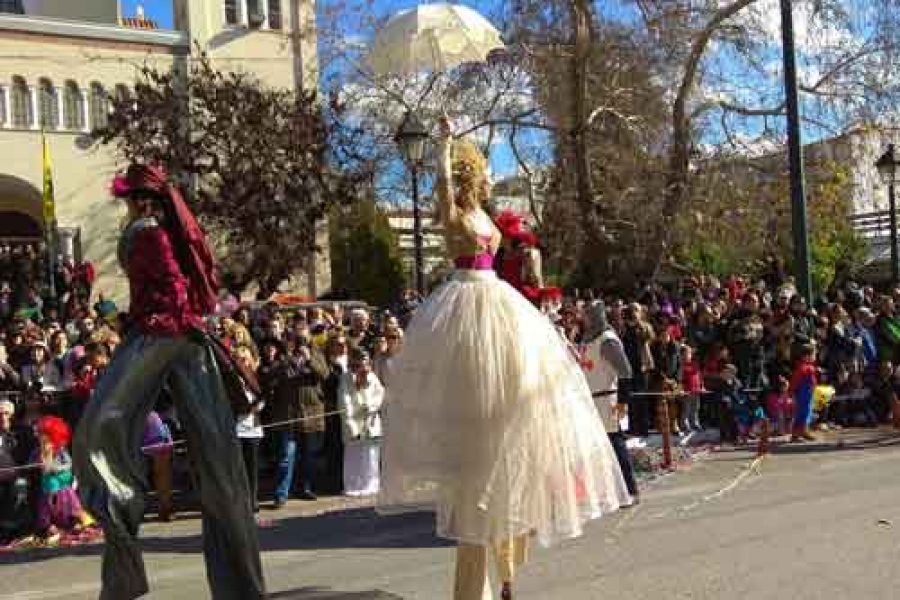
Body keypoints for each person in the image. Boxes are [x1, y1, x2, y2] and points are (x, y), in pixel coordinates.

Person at [377, 115, 629, 600]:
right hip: (468, 310)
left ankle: (507, 570)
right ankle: (479, 585)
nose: (491, 175)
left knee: (517, 434)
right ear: (472, 175)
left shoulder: (489, 217)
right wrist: (446, 143)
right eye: (485, 170)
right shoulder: (454, 213)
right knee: (479, 449)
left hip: (500, 307)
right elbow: (443, 186)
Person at [73, 164, 265, 600]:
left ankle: (125, 576)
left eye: (126, 197)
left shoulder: (147, 230)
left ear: (139, 200)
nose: (123, 205)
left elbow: (175, 288)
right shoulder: (154, 229)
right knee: (219, 461)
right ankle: (239, 587)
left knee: (95, 436)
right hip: (173, 334)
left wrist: (169, 319)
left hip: (162, 334)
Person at [579, 301, 640, 505]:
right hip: (593, 399)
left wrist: (623, 401)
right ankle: (610, 490)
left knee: (615, 444)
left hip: (608, 398)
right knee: (599, 447)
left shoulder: (607, 340)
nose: (584, 318)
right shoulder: (589, 340)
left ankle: (630, 490)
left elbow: (625, 372)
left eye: (587, 315)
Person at [339, 349, 385, 497]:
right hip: (354, 423)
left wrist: (371, 406)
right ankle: (353, 485)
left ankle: (371, 484)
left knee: (371, 455)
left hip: (370, 422)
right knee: (354, 456)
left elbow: (380, 394)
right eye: (360, 361)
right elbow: (344, 403)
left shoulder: (372, 376)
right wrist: (351, 426)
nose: (363, 364)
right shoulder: (346, 378)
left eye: (365, 361)